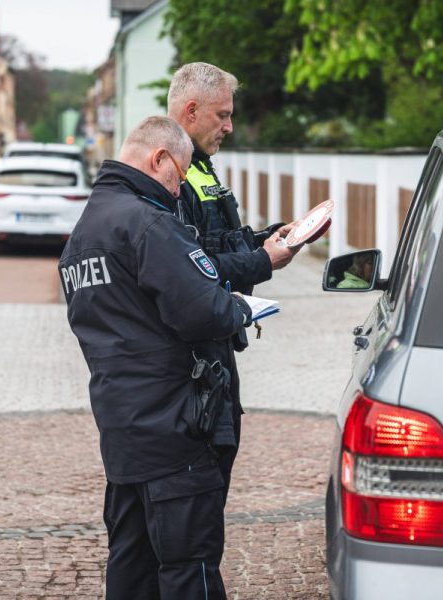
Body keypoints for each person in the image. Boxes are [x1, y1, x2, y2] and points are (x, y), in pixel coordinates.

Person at [59, 116, 252, 599]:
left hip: (123, 430)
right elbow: (205, 310)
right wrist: (240, 307)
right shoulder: (148, 222)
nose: (179, 186)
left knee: (131, 565)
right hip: (175, 430)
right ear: (159, 158)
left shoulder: (83, 233)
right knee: (190, 567)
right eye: (179, 174)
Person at [167, 62, 301, 500]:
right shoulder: (173, 174)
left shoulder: (201, 166)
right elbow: (194, 270)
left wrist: (265, 239)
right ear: (190, 111)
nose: (230, 125)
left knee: (217, 473)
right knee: (201, 493)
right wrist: (263, 261)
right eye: (222, 115)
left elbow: (215, 242)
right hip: (194, 361)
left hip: (219, 349)